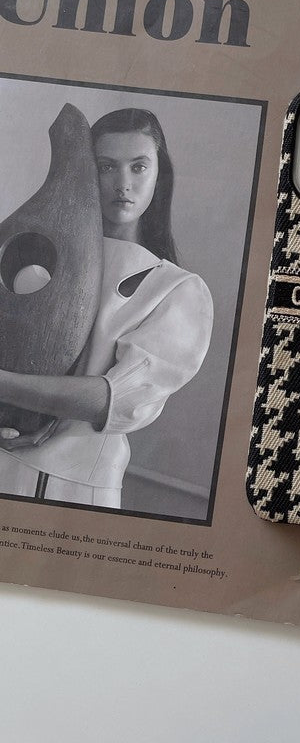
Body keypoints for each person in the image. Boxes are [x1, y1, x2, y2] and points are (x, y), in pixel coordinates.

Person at [0, 108, 213, 508]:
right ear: (85, 171)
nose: (122, 184)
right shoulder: (29, 251)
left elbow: (116, 399)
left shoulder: (177, 290)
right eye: (106, 166)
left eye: (138, 167)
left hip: (72, 488)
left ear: (159, 175)